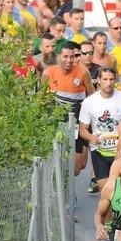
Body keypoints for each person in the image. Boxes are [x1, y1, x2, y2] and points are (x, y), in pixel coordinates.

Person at [42, 43, 94, 175]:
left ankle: (67, 187)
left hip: (77, 122)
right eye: (65, 56)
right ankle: (65, 193)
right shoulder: (48, 73)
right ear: (59, 56)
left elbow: (92, 98)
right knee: (59, 162)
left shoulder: (83, 73)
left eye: (72, 57)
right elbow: (40, 100)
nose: (69, 60)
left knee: (79, 166)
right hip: (57, 122)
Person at [78, 68, 121, 190]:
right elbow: (82, 129)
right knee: (105, 190)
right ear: (99, 81)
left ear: (115, 80)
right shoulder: (89, 102)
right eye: (105, 79)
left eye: (111, 79)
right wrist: (91, 138)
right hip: (100, 151)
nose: (109, 82)